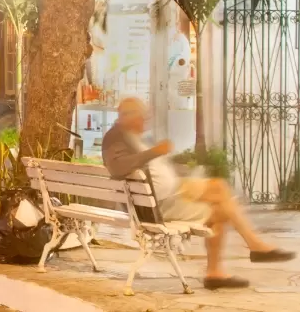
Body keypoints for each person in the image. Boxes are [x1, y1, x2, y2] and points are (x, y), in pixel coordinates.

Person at [103, 97, 294, 290]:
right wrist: (155, 151)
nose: (145, 121)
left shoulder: (126, 136)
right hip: (160, 205)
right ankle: (225, 266)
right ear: (127, 117)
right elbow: (118, 168)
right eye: (142, 117)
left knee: (219, 187)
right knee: (220, 209)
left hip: (172, 191)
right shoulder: (114, 137)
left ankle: (250, 249)